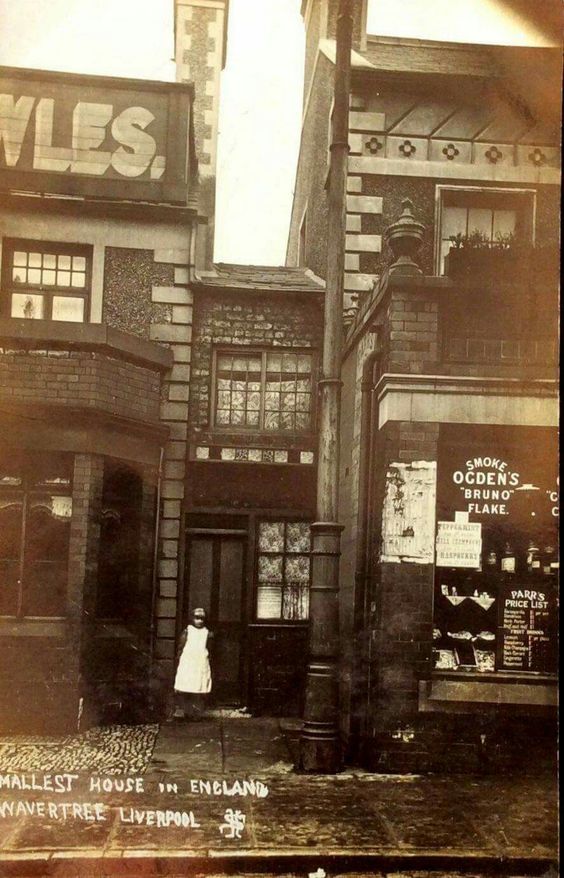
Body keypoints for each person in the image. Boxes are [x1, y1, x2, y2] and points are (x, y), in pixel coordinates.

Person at [171, 608, 213, 720]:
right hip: (188, 661)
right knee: (185, 685)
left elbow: (209, 648)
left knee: (199, 687)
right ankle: (182, 710)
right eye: (197, 618)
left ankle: (196, 712)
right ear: (192, 619)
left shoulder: (207, 633)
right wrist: (179, 658)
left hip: (200, 662)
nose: (200, 621)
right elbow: (181, 646)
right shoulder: (187, 631)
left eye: (202, 619)